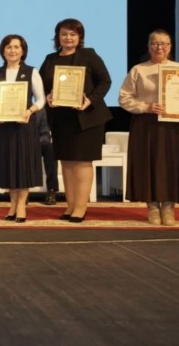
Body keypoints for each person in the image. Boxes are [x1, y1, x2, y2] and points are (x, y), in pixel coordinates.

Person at [118, 29, 179, 225]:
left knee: (172, 166)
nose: (159, 47)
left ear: (170, 47)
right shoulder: (138, 70)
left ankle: (168, 207)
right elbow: (124, 98)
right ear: (149, 46)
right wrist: (146, 107)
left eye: (164, 43)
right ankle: (152, 207)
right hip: (146, 125)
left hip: (175, 126)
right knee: (148, 165)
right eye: (155, 43)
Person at [40, 18, 112, 223]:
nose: (68, 38)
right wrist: (48, 97)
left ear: (80, 37)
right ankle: (70, 206)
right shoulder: (50, 59)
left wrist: (90, 100)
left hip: (86, 118)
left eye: (73, 34)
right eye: (64, 34)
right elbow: (42, 85)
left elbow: (105, 81)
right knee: (67, 163)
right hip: (61, 119)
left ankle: (80, 208)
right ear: (57, 37)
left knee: (82, 163)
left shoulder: (89, 56)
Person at [0, 35, 45, 223]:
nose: (13, 50)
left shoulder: (31, 72)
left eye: (17, 47)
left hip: (24, 125)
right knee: (8, 166)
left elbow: (41, 99)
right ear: (3, 51)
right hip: (4, 127)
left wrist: (30, 111)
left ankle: (21, 206)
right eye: (9, 47)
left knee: (23, 165)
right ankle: (12, 205)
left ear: (23, 50)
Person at [36, 109, 60, 205]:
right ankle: (22, 193)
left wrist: (36, 142)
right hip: (22, 144)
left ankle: (51, 190)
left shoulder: (40, 111)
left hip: (38, 142)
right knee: (21, 151)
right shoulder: (17, 109)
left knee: (50, 149)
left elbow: (45, 134)